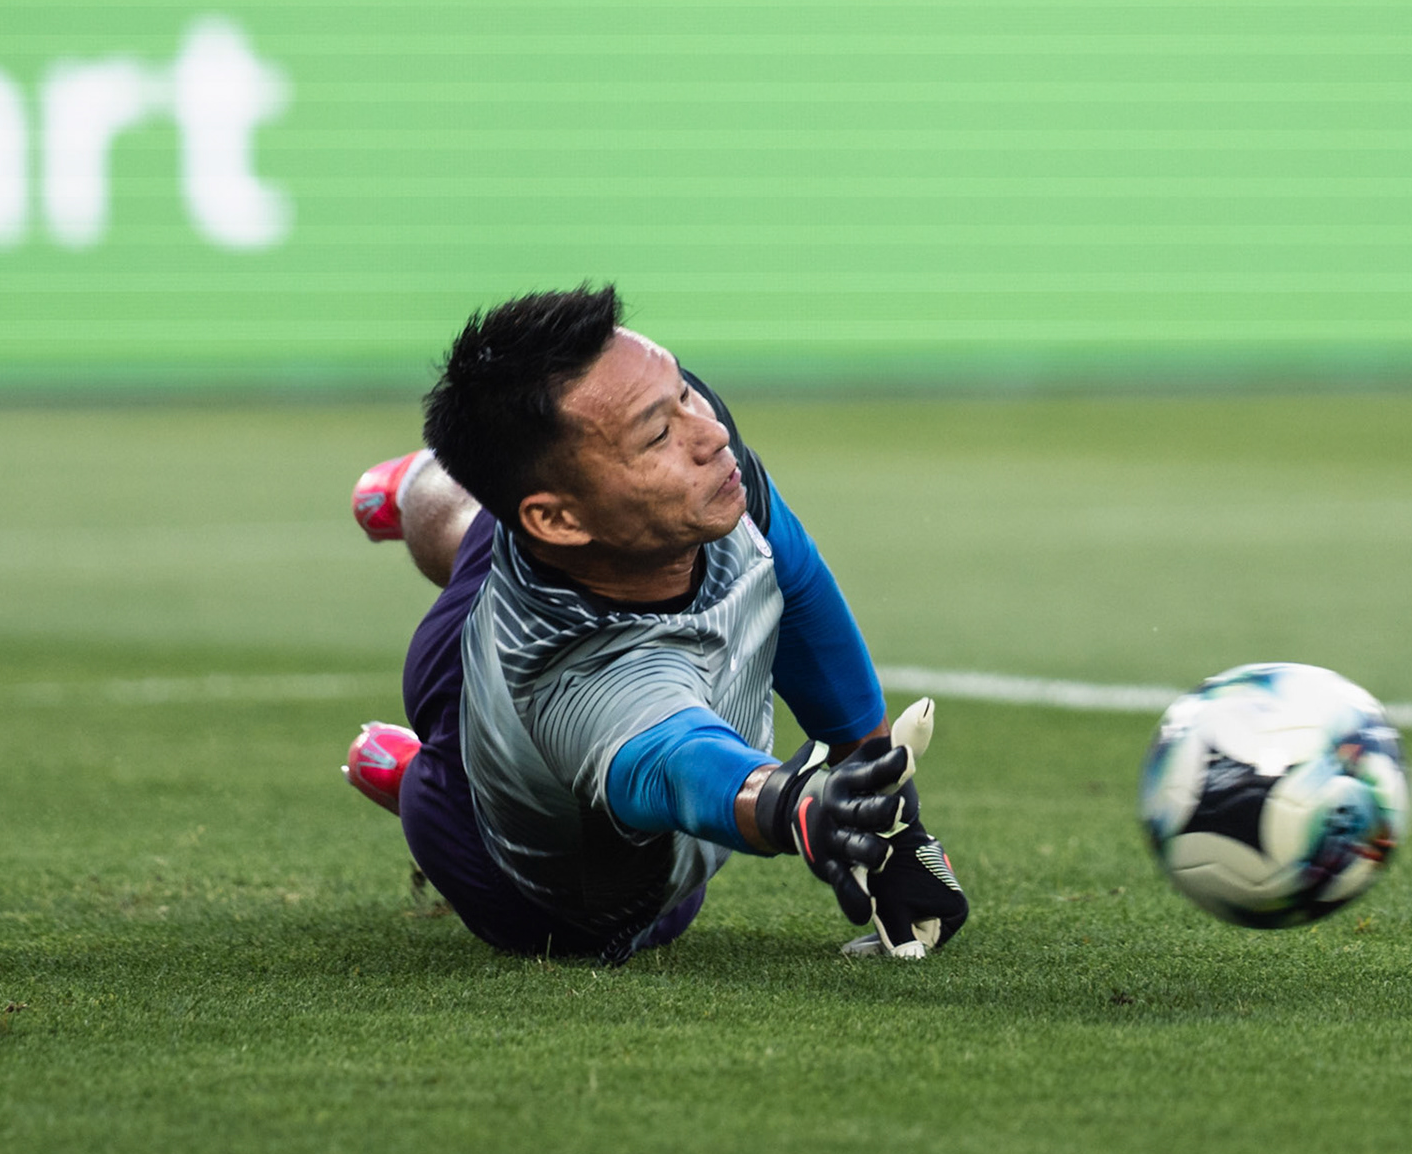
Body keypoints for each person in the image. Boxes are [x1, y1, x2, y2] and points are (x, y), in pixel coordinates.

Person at [341, 283, 968, 964]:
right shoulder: (582, 679)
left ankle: (412, 487)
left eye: (684, 394)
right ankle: (417, 780)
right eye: (659, 433)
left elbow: (801, 592)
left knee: (480, 515)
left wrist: (890, 811)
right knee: (556, 906)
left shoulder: (700, 477)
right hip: (519, 860)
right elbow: (678, 765)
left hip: (524, 579)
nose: (713, 432)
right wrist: (795, 804)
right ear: (559, 521)